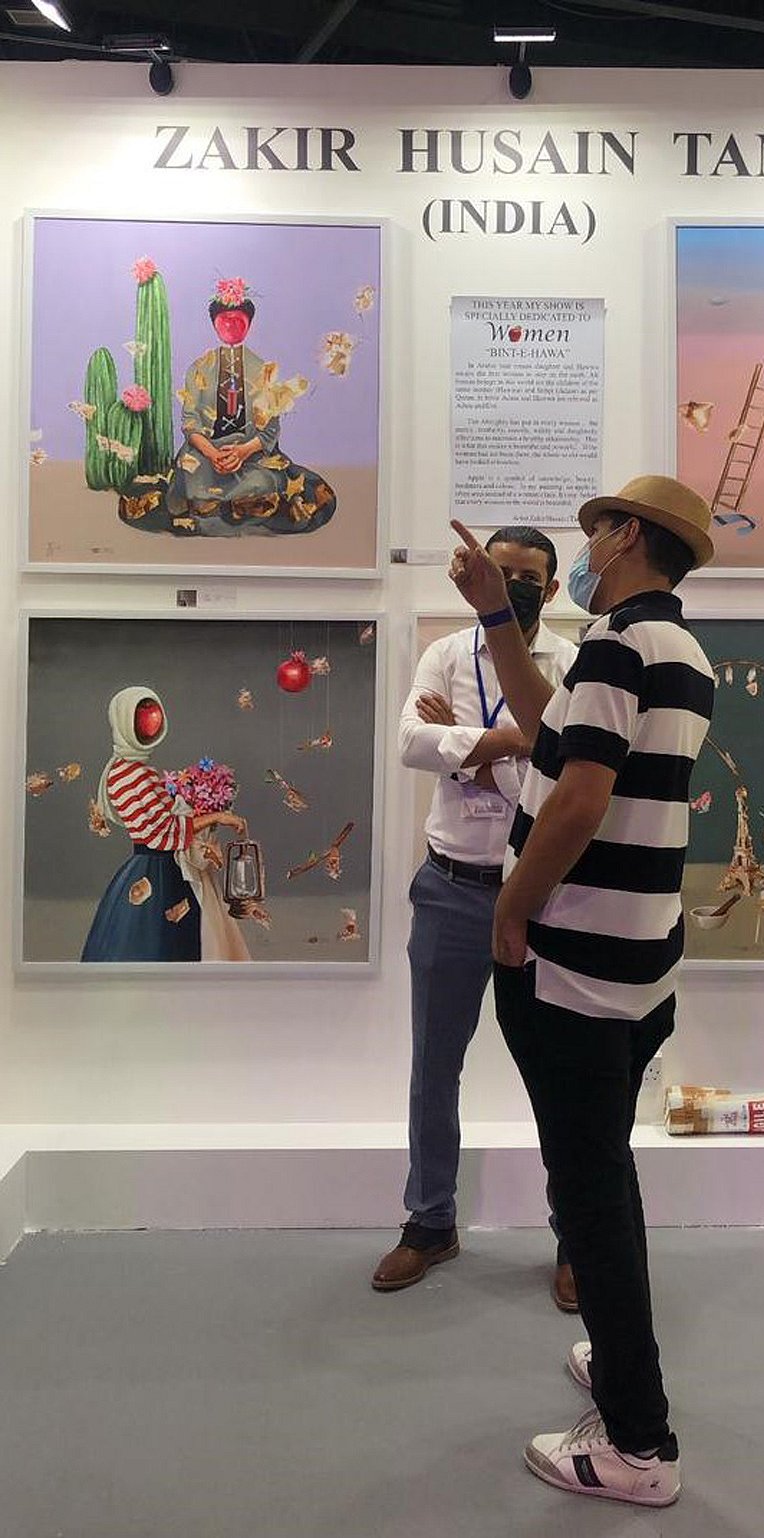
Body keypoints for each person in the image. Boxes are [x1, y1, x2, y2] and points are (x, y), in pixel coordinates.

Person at [448, 475, 715, 1507]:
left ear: (627, 535)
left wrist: (512, 910)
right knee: (604, 1174)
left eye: (596, 529)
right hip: (639, 966)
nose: (584, 545)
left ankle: (638, 1446)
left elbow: (576, 798)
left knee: (590, 1192)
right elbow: (549, 733)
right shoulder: (674, 648)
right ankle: (616, 1352)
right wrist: (492, 614)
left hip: (575, 967)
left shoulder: (616, 646)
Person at [372, 528, 579, 1301]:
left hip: (545, 893)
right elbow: (410, 741)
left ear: (551, 589)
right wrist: (512, 742)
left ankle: (576, 1237)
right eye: (503, 570)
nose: (513, 583)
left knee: (561, 1074)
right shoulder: (447, 655)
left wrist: (468, 754)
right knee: (434, 1066)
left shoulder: (573, 663)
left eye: (529, 576)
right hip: (450, 889)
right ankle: (430, 1221)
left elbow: (563, 774)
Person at [119, 277, 336, 537]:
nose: (231, 326)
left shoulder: (262, 370)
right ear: (214, 324)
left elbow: (270, 429)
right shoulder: (199, 369)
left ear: (249, 324)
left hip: (251, 455)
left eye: (238, 321)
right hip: (205, 454)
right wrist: (212, 453)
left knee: (265, 480)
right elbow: (190, 423)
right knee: (191, 477)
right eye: (225, 320)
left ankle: (223, 507)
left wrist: (242, 452)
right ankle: (234, 507)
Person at [82, 686, 246, 962]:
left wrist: (196, 805)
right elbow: (164, 832)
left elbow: (165, 821)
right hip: (157, 869)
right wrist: (216, 816)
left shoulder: (127, 770)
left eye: (154, 715)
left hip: (152, 866)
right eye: (142, 718)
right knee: (164, 943)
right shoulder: (134, 774)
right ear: (125, 723)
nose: (151, 724)